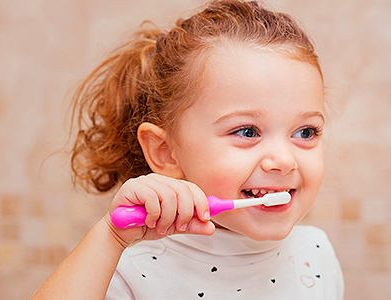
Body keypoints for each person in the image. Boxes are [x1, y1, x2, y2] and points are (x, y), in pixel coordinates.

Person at [31, 0, 344, 299]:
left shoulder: (315, 253)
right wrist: (110, 238)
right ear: (166, 152)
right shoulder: (131, 270)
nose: (285, 160)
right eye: (247, 132)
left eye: (306, 132)